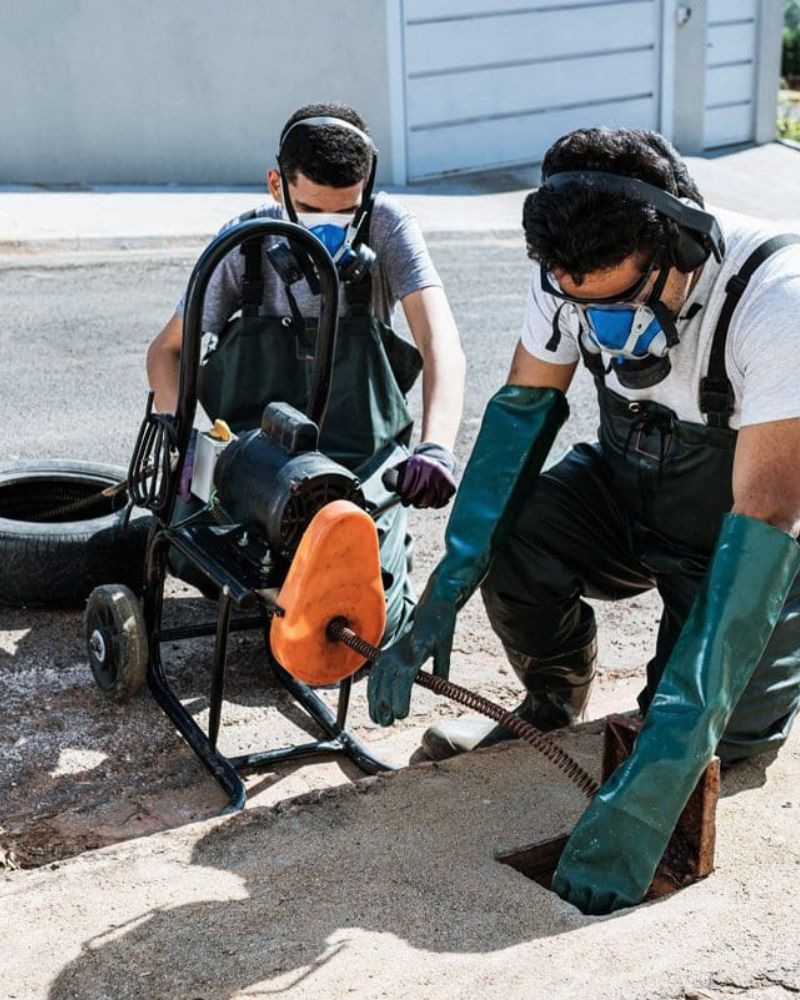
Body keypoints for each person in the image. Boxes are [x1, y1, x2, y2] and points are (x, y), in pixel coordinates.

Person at [366, 127, 800, 913]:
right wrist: (443, 591)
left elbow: (764, 513)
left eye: (619, 303)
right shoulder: (568, 272)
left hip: (743, 542)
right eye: (576, 301)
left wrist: (648, 793)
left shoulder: (776, 299)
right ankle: (553, 695)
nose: (597, 326)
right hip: (626, 488)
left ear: (680, 246)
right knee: (516, 536)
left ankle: (724, 726)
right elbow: (517, 427)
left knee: (712, 744)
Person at [146, 102, 465, 641]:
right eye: (315, 211)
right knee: (198, 556)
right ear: (277, 185)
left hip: (356, 467)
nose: (333, 229)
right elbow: (165, 352)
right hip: (257, 466)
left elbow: (442, 345)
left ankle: (382, 554)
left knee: (365, 625)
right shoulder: (243, 244)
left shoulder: (387, 227)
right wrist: (182, 442)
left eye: (348, 213)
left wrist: (436, 447)